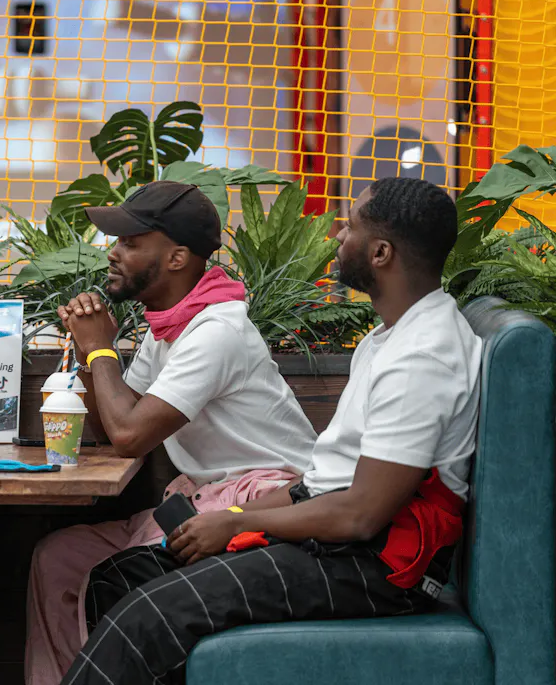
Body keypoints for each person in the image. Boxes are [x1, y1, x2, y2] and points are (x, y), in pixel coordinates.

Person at [61, 177, 481, 685]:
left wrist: (235, 522)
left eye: (348, 228)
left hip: (378, 568)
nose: (335, 238)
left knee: (147, 616)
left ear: (382, 253)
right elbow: (326, 484)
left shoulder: (423, 356)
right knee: (125, 579)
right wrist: (233, 516)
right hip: (339, 536)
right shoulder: (389, 336)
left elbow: (361, 514)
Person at [26, 181, 318, 684]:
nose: (113, 254)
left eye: (131, 242)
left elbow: (129, 436)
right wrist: (89, 349)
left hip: (260, 507)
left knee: (104, 576)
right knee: (58, 559)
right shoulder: (169, 326)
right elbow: (113, 419)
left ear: (178, 257)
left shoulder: (215, 331)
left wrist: (100, 350)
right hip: (202, 497)